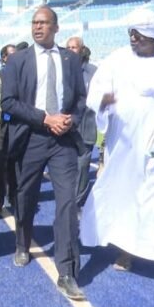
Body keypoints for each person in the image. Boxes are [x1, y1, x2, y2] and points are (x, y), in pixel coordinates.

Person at [80, 10, 154, 293]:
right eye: (131, 33)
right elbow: (95, 93)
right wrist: (103, 102)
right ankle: (126, 252)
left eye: (139, 35)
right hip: (125, 147)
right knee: (128, 199)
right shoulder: (118, 59)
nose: (133, 39)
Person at [1, 6, 87, 301]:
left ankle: (67, 271)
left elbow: (80, 99)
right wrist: (44, 118)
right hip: (31, 137)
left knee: (67, 203)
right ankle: (22, 243)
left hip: (63, 139)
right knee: (26, 196)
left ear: (56, 27)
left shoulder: (71, 60)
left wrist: (70, 120)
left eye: (43, 23)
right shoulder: (18, 60)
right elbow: (8, 102)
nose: (37, 27)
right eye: (34, 23)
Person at [66, 36, 98, 205]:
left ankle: (77, 202)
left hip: (86, 125)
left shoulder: (94, 72)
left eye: (74, 47)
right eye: (68, 47)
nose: (71, 50)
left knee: (83, 164)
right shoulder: (61, 69)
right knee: (68, 165)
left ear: (82, 50)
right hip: (66, 126)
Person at [0, 43, 18, 216]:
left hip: (19, 125)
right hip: (2, 125)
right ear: (4, 58)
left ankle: (14, 198)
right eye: (11, 55)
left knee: (16, 164)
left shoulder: (23, 74)